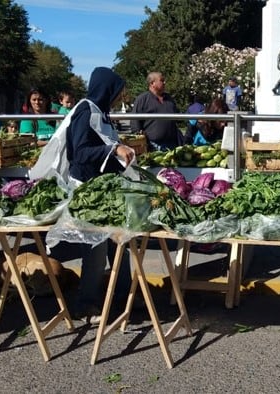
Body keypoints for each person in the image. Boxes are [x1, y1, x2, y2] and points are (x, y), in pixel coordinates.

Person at [65, 67, 136, 322]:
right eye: (117, 91)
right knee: (95, 251)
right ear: (106, 89)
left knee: (121, 245)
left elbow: (101, 147)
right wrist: (115, 149)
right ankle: (86, 304)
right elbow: (81, 153)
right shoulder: (85, 111)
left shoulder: (101, 113)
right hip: (88, 192)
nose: (119, 97)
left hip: (105, 189)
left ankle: (124, 299)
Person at [130, 72, 182, 151]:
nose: (165, 83)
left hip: (172, 145)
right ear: (152, 83)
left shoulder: (169, 99)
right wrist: (141, 141)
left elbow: (176, 119)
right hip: (152, 146)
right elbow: (135, 122)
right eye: (162, 80)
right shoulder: (142, 99)